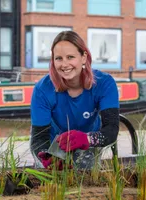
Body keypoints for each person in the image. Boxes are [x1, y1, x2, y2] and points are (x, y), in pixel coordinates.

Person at [30, 31, 120, 170]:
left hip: (89, 141)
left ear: (84, 57)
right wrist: (47, 157)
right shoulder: (42, 90)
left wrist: (87, 139)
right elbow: (38, 139)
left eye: (70, 57)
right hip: (53, 144)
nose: (64, 64)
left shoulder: (104, 83)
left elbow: (111, 130)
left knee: (86, 178)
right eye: (58, 58)